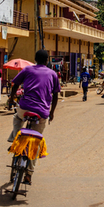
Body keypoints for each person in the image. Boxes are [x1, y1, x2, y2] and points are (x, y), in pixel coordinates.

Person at [7, 49, 61, 185]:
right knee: (35, 142)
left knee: (17, 118)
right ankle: (29, 174)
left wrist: (11, 99)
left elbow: (15, 85)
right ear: (47, 60)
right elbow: (55, 96)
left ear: (35, 59)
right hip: (42, 112)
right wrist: (51, 112)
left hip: (25, 108)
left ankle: (15, 139)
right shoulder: (53, 74)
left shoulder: (27, 70)